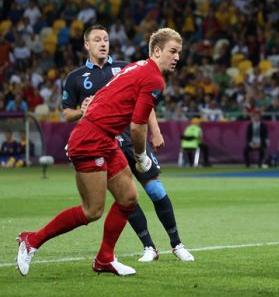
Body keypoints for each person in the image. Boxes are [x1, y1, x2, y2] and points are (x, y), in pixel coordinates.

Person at [16, 28, 185, 277]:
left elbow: (104, 97)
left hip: (105, 138)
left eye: (179, 53)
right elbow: (137, 126)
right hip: (92, 139)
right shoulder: (153, 78)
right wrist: (141, 157)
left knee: (128, 197)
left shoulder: (136, 67)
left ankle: (105, 259)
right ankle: (32, 240)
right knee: (92, 210)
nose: (177, 57)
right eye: (173, 51)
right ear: (157, 51)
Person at [60, 25, 193, 263]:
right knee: (127, 196)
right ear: (86, 45)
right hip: (106, 140)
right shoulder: (76, 78)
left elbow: (145, 104)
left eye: (106, 39)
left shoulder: (125, 66)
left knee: (155, 189)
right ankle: (149, 247)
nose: (103, 43)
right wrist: (80, 111)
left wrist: (156, 130)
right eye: (97, 40)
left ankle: (177, 243)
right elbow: (66, 114)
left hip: (135, 137)